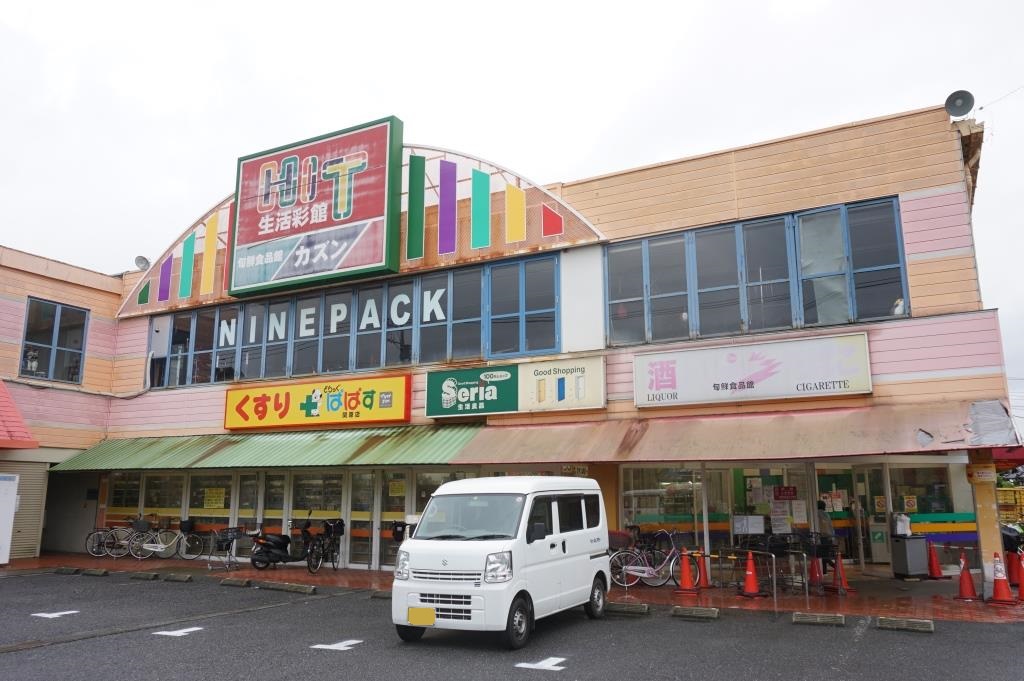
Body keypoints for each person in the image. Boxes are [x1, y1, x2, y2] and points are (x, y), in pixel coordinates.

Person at [816, 500, 837, 575]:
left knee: (823, 555)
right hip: (829, 537)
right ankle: (824, 571)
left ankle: (836, 567)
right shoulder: (827, 514)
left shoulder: (817, 514)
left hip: (822, 537)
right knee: (824, 554)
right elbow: (830, 526)